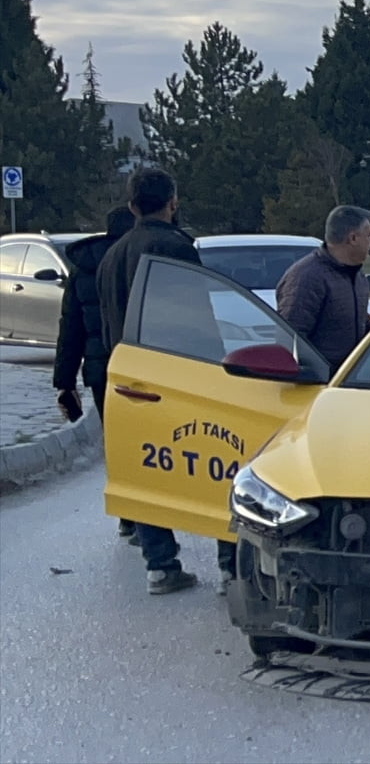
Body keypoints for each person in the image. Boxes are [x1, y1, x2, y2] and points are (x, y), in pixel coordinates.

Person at [97, 167, 227, 596]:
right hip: (179, 375)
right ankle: (231, 565)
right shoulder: (174, 248)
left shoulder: (112, 256)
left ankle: (160, 564)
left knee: (145, 472)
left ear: (132, 206)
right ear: (173, 201)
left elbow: (106, 327)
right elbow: (197, 319)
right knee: (216, 464)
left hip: (129, 378)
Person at [53, 204, 137, 542]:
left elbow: (69, 327)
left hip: (101, 371)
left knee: (116, 443)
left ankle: (127, 517)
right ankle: (150, 514)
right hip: (142, 366)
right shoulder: (137, 259)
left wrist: (64, 382)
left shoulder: (84, 268)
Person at [275, 205, 370, 371]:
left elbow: (364, 325)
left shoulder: (357, 275)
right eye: (369, 236)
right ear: (353, 238)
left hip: (351, 380)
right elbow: (290, 338)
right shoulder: (306, 278)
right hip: (316, 385)